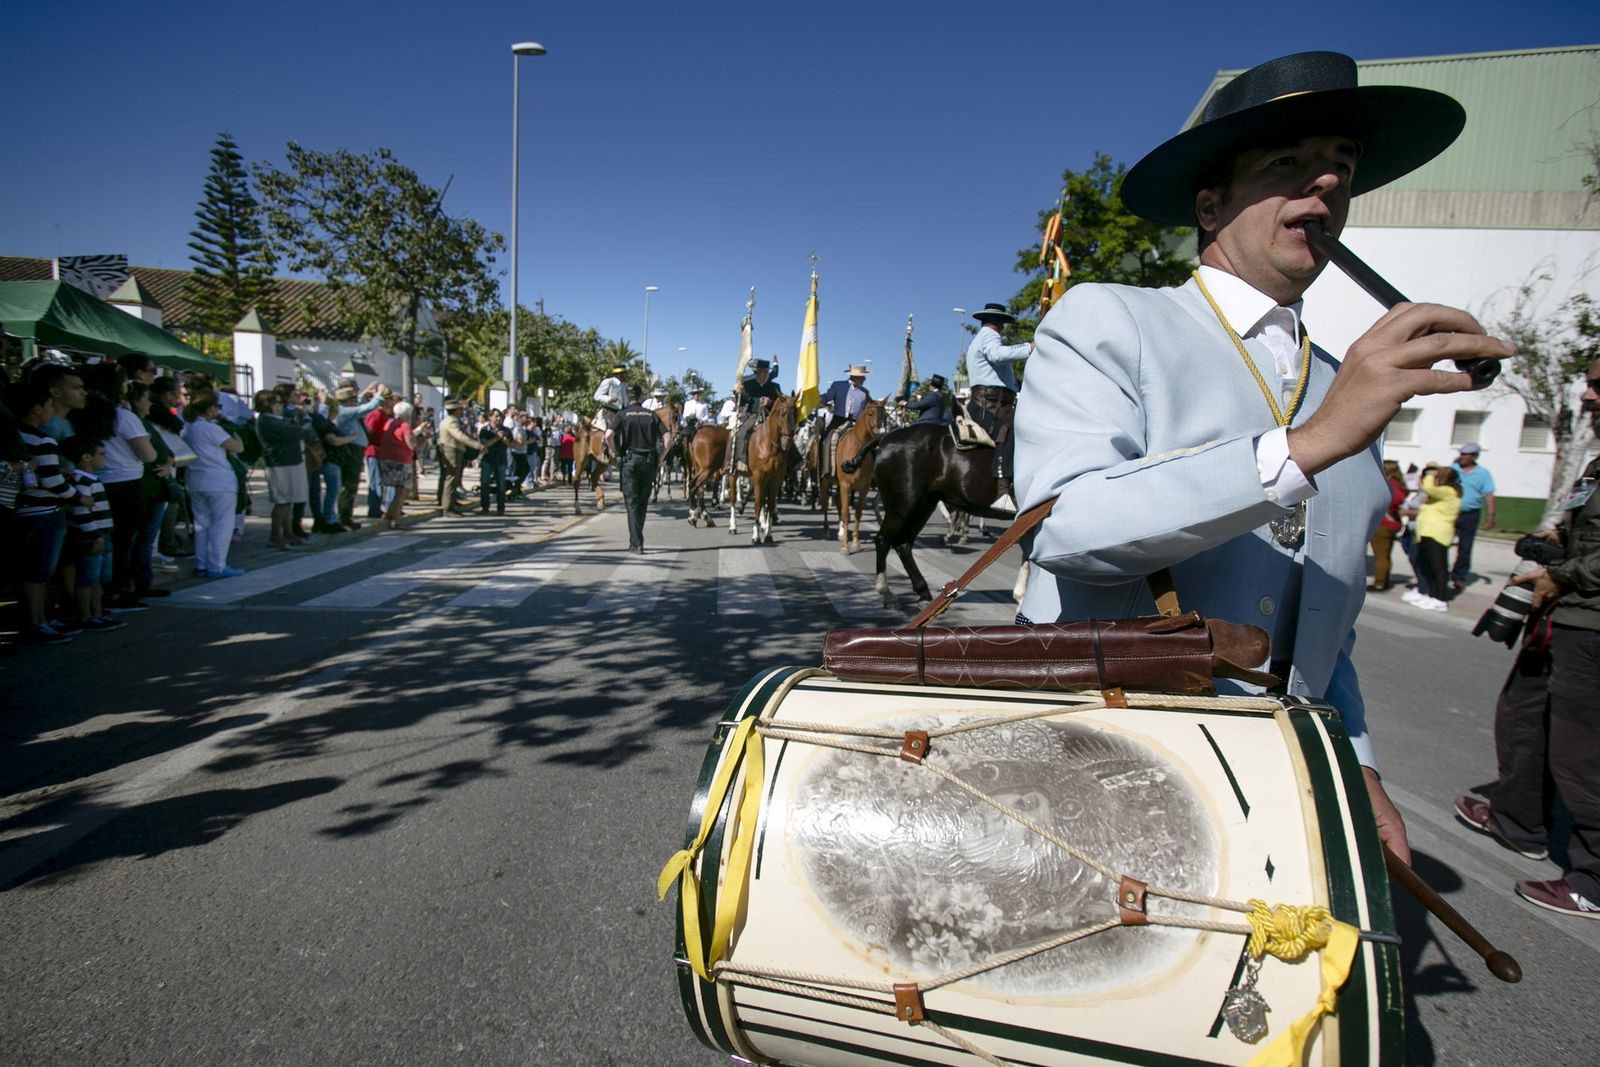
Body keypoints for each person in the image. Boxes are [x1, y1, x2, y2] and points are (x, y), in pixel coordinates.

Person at [1012, 50, 1513, 863]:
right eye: (1290, 164)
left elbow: (1323, 616)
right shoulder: (1107, 319)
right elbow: (1062, 525)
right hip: (1101, 769)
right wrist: (1310, 442)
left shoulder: (1344, 382)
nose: (1325, 188)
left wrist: (1360, 764)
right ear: (1211, 206)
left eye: (1341, 168)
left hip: (1275, 789)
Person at [1455, 358, 1600, 919]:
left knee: (1583, 753)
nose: (1585, 395)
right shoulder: (1595, 463)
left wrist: (1560, 574)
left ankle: (1591, 878)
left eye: (1597, 386)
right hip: (1566, 618)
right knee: (1523, 715)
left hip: (1589, 621)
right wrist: (1552, 540)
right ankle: (1519, 820)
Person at [11, 382, 85, 642]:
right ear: (37, 409)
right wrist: (78, 496)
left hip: (22, 508)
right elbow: (52, 482)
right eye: (50, 407)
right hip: (44, 511)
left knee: (34, 571)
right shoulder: (42, 439)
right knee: (39, 572)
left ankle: (42, 619)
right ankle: (37, 622)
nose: (52, 412)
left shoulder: (16, 436)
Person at [965, 303, 1034, 510]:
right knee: (1011, 432)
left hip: (988, 401)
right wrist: (1029, 347)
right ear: (1000, 323)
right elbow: (997, 355)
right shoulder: (990, 336)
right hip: (992, 404)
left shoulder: (980, 338)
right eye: (1002, 322)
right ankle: (1003, 494)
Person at [59, 435, 125, 631]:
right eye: (101, 454)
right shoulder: (82, 481)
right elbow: (81, 512)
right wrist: (95, 535)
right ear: (86, 457)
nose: (104, 458)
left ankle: (97, 612)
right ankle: (86, 616)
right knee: (87, 578)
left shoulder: (90, 479)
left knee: (96, 579)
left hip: (101, 533)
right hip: (91, 535)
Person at [180, 391, 246, 578]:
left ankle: (202, 563)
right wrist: (236, 434)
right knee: (222, 524)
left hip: (196, 479)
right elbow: (237, 447)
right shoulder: (211, 429)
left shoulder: (188, 427)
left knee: (201, 525)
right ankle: (217, 565)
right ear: (210, 408)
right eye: (217, 406)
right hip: (218, 480)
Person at [254, 389, 315, 549]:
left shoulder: (275, 419)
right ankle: (275, 536)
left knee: (289, 500)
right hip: (281, 463)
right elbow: (299, 432)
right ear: (270, 405)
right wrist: (307, 418)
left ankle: (288, 533)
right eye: (278, 402)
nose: (281, 405)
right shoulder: (267, 421)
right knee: (283, 501)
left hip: (290, 461)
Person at [612, 382, 663, 552]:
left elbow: (608, 435)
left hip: (629, 461)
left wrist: (616, 453)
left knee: (632, 503)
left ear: (628, 397)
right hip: (648, 462)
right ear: (641, 396)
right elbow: (668, 437)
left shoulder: (622, 414)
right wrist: (661, 458)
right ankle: (637, 540)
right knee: (642, 503)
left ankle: (636, 543)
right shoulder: (651, 415)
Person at [1404, 467, 1460, 612]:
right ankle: (1431, 594)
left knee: (1438, 568)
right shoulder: (1438, 495)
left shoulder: (1448, 491)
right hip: (1426, 534)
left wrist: (1429, 475)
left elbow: (1428, 487)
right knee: (1426, 566)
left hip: (1438, 535)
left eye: (1437, 476)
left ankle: (1440, 599)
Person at [332, 381, 385, 531]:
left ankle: (346, 516)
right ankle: (344, 517)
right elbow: (366, 408)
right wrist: (379, 395)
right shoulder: (345, 412)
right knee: (349, 484)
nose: (356, 401)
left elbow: (360, 405)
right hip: (351, 450)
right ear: (348, 401)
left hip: (355, 448)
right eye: (353, 399)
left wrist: (366, 391)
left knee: (351, 484)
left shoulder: (346, 409)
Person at [1449, 442, 1497, 592]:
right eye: (1461, 454)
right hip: (1450, 512)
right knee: (1441, 543)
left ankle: (1459, 576)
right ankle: (1439, 573)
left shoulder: (1483, 473)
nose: (1461, 457)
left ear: (1474, 456)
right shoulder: (1453, 469)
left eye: (1465, 455)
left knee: (1465, 547)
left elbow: (1488, 495)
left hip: (1470, 514)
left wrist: (1490, 515)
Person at [814, 364, 870, 473]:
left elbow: (867, 409)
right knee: (826, 440)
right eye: (862, 377)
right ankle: (825, 469)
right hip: (838, 421)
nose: (864, 379)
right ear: (854, 376)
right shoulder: (838, 386)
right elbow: (827, 397)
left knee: (871, 443)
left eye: (864, 377)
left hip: (857, 423)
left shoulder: (865, 392)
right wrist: (818, 398)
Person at [732, 359, 784, 472]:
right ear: (757, 372)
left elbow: (781, 403)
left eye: (767, 372)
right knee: (741, 433)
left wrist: (770, 402)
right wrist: (738, 393)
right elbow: (741, 403)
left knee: (785, 434)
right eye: (764, 372)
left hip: (770, 417)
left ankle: (793, 463)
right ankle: (741, 461)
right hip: (752, 415)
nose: (766, 374)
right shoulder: (747, 384)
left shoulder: (774, 386)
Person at [1368, 459, 1406, 591]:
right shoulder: (1396, 484)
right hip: (1390, 524)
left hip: (1384, 524)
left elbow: (1396, 499)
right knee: (1385, 554)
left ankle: (1379, 582)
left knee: (1380, 555)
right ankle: (1384, 579)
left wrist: (1386, 508)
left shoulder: (1390, 485)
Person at [378, 400, 417, 529]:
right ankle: (396, 520)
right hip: (401, 460)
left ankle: (389, 514)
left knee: (394, 489)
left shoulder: (389, 424)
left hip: (386, 459)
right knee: (403, 490)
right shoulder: (405, 426)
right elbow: (411, 444)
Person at [436, 399, 480, 514]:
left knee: (453, 479)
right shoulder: (451, 422)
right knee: (451, 478)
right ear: (455, 410)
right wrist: (476, 445)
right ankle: (447, 507)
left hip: (454, 450)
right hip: (451, 450)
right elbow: (459, 436)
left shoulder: (450, 420)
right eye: (459, 409)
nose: (461, 411)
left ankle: (452, 501)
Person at [363, 388, 396, 519]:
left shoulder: (383, 415)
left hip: (381, 452)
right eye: (390, 399)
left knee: (380, 482)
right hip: (374, 451)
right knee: (376, 482)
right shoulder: (375, 414)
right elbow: (369, 431)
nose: (392, 402)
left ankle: (378, 507)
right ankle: (374, 509)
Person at [477, 409, 513, 515]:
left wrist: (505, 440)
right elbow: (485, 444)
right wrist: (497, 438)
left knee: (501, 485)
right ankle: (485, 507)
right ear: (490, 417)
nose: (499, 418)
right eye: (496, 416)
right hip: (488, 459)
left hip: (501, 459)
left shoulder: (506, 430)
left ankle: (501, 508)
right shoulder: (485, 430)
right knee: (485, 484)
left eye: (500, 416)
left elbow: (512, 445)